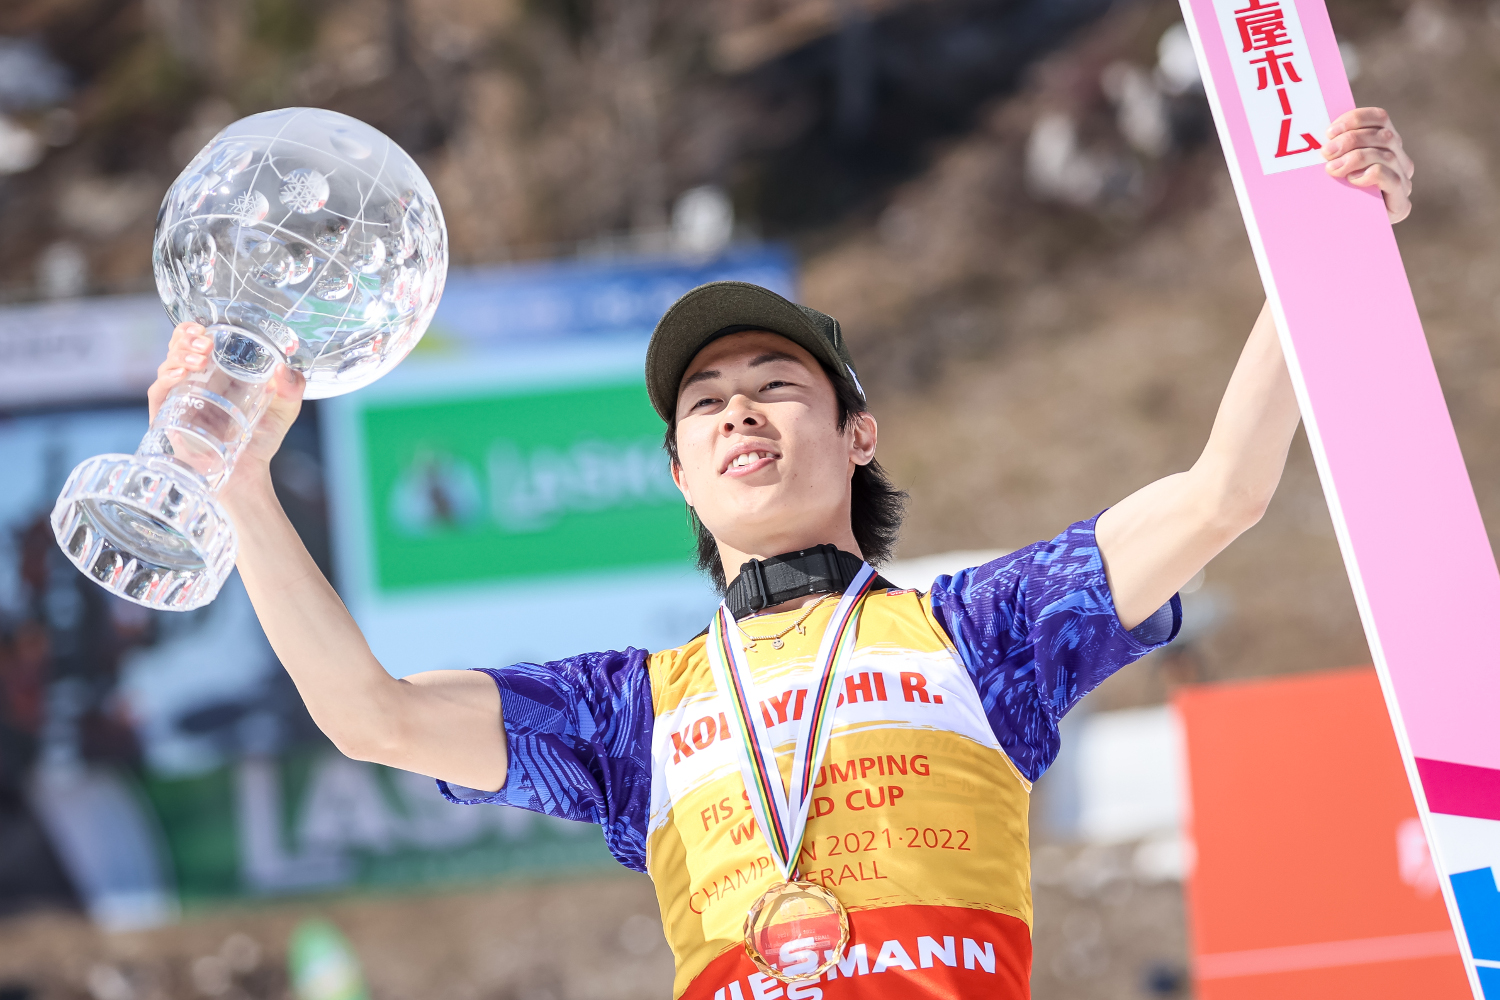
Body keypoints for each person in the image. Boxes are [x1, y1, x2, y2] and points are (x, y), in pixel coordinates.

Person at [150, 108, 1415, 999]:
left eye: (776, 385)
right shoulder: (631, 712)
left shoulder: (980, 630)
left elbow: (1222, 493)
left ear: (859, 435)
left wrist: (1326, 244)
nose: (738, 412)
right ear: (680, 475)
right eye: (705, 404)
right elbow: (370, 716)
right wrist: (243, 485)